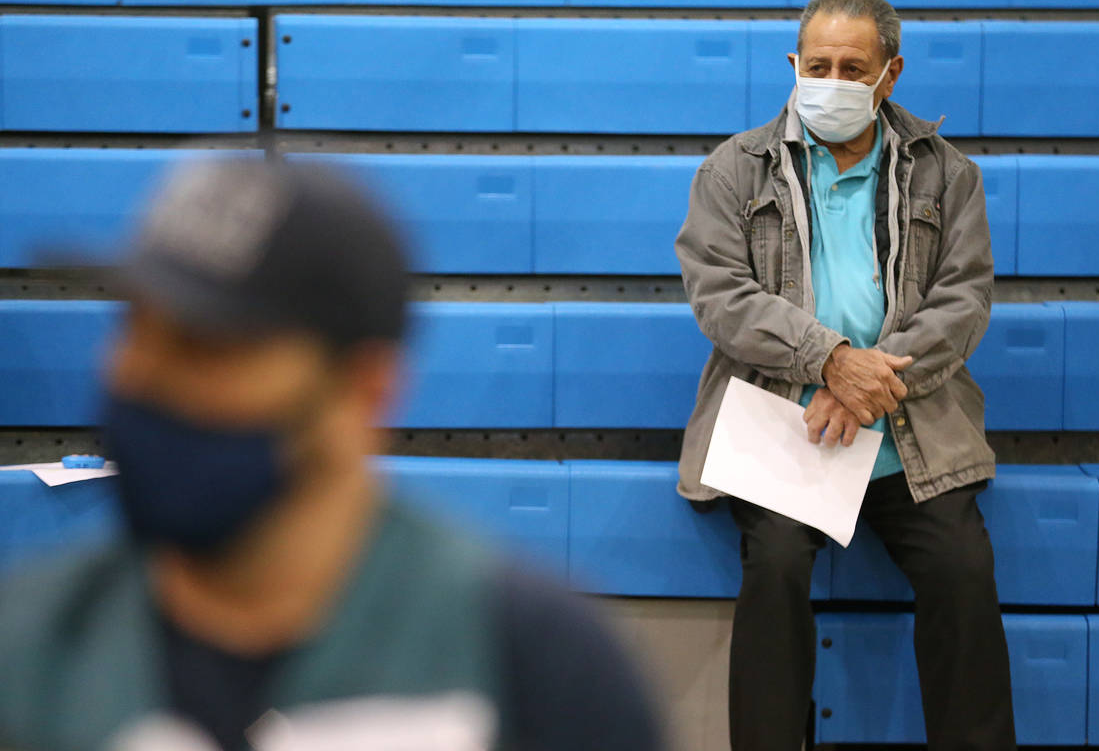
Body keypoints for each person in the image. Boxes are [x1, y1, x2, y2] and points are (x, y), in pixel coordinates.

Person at [0, 159, 662, 751]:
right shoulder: (26, 648)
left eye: (208, 347)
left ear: (363, 390)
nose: (139, 377)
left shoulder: (529, 662)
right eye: (134, 330)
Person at [674, 0, 1016, 751]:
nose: (830, 79)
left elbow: (964, 299)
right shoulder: (735, 168)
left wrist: (869, 386)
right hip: (785, 421)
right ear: (794, 66)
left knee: (963, 568)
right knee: (776, 565)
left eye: (851, 67)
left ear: (889, 75)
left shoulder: (948, 174)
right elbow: (720, 295)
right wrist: (829, 361)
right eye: (816, 65)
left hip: (909, 424)